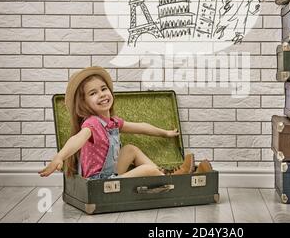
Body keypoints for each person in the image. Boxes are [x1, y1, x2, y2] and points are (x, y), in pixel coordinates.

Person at [39, 66, 211, 179]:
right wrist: (60, 156)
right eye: (93, 93)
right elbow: (77, 139)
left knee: (129, 149)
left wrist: (165, 133)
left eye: (104, 89)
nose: (102, 94)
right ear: (83, 104)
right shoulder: (91, 124)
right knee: (149, 171)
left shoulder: (112, 122)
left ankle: (166, 174)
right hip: (99, 182)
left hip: (110, 173)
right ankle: (173, 177)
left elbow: (141, 127)